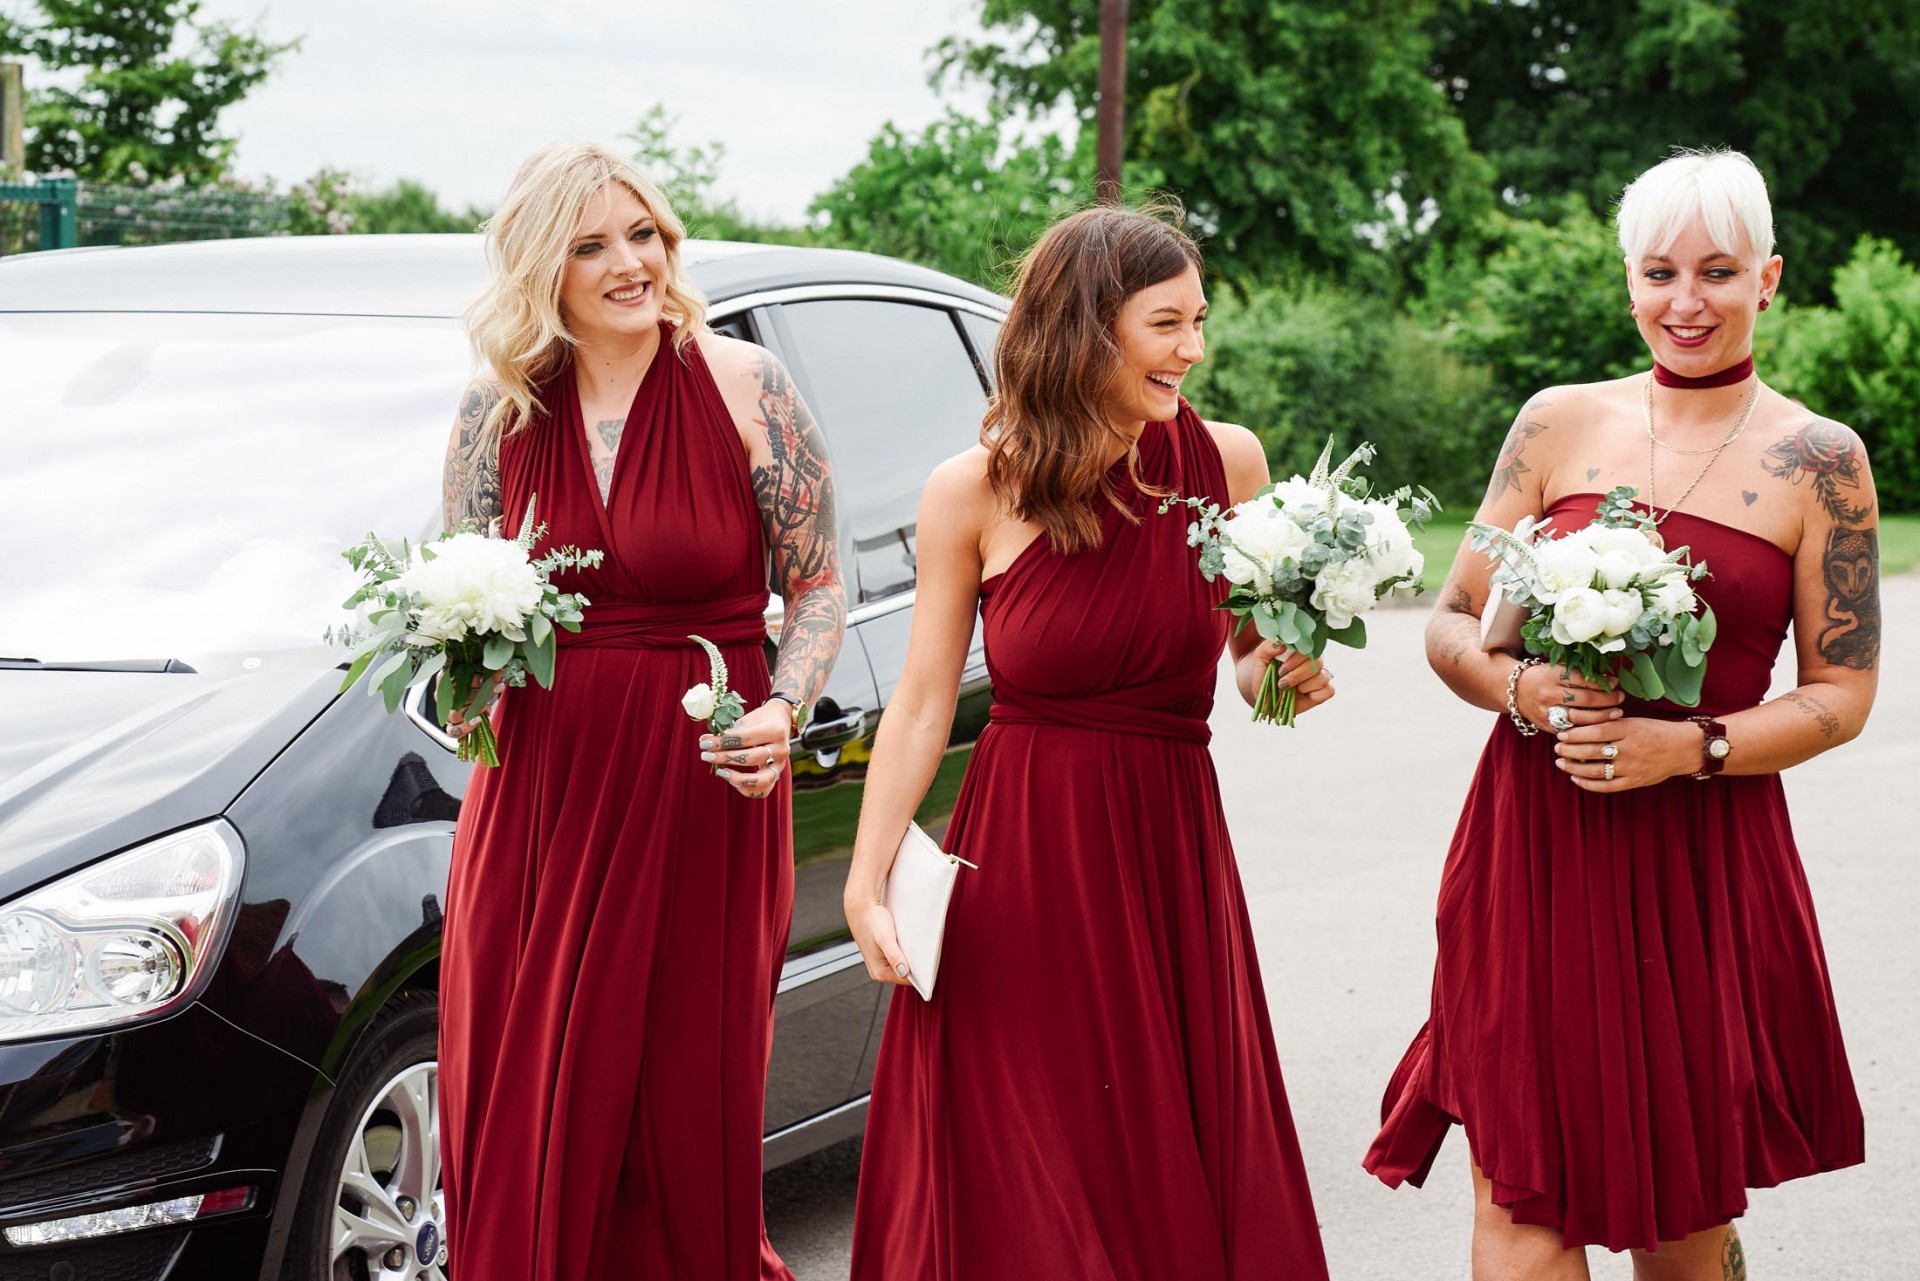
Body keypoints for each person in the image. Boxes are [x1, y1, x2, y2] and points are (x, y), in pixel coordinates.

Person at [1365, 149, 1880, 1279]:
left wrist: (1688, 746)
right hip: (1533, 847)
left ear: (1769, 279)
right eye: (1659, 273)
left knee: (1678, 1221)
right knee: (1519, 1204)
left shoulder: (1821, 462)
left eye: (1718, 272)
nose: (1686, 301)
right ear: (1629, 281)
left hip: (1701, 857)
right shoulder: (1556, 424)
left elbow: (1842, 696)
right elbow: (1451, 625)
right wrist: (1521, 688)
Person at [843, 205, 1334, 1280]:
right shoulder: (972, 489)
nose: (1193, 349)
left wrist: (1285, 674)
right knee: (1034, 1162)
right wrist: (867, 879)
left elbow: (1250, 661)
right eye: (1167, 323)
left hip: (1168, 852)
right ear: (1085, 328)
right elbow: (922, 701)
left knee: (1156, 1154)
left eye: (1199, 320)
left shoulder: (1230, 461)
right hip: (1025, 862)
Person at [435, 142, 844, 1281]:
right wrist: (464, 688)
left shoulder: (746, 385)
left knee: (679, 1110)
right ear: (542, 268)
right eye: (592, 245)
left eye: (645, 234)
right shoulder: (497, 412)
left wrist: (786, 709)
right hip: (539, 798)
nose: (632, 263)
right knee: (528, 1102)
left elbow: (819, 584)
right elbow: (457, 602)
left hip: (702, 785)